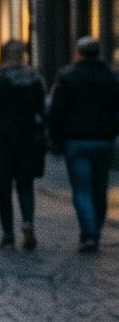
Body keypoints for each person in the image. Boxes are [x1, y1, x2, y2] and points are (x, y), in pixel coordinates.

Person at [47, 36, 119, 251]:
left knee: (81, 190)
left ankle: (89, 233)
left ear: (78, 53)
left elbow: (56, 111)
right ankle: (95, 229)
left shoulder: (68, 76)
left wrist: (56, 139)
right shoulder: (110, 77)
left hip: (76, 140)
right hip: (103, 140)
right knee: (100, 187)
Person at [0, 39, 47, 251]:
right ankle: (28, 222)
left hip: (1, 139)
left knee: (4, 187)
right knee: (26, 185)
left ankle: (8, 235)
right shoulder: (34, 80)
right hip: (27, 138)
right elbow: (42, 110)